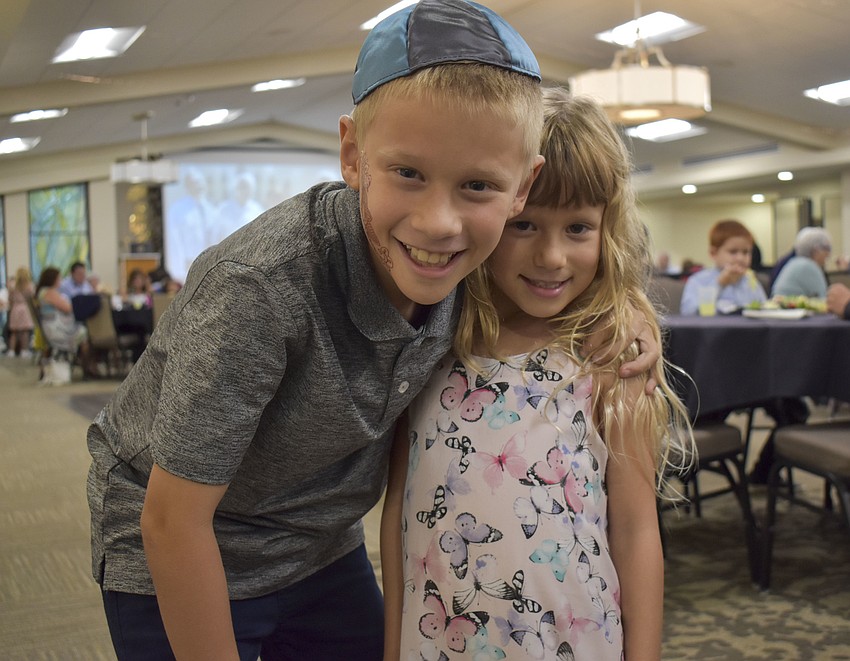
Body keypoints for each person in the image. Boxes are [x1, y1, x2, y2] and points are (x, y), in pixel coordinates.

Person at [85, 3, 659, 659]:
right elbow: (171, 520)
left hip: (320, 541)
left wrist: (628, 311)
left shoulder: (462, 268)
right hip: (181, 539)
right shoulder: (260, 288)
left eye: (477, 185)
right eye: (408, 173)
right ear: (353, 154)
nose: (439, 223)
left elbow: (556, 274)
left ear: (518, 189)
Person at [381, 90, 693, 661]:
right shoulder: (432, 341)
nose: (552, 257)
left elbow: (635, 527)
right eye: (524, 225)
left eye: (578, 228)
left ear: (608, 232)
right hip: (440, 637)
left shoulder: (607, 356)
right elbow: (400, 506)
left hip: (571, 638)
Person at [680, 220, 766, 316]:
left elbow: (764, 309)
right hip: (712, 330)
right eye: (733, 252)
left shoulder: (751, 281)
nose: (740, 258)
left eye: (746, 252)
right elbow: (688, 313)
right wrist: (720, 284)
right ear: (713, 253)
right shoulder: (698, 280)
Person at [35, 266, 97, 376]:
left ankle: (86, 366)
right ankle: (87, 367)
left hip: (50, 327)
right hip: (55, 329)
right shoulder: (50, 292)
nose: (61, 281)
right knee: (84, 333)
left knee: (82, 330)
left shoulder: (43, 291)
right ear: (53, 279)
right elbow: (68, 308)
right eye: (59, 278)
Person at [771, 227, 831, 298]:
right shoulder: (809, 267)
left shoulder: (794, 263)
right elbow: (823, 298)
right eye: (826, 249)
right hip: (793, 307)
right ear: (816, 250)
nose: (828, 254)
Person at [6, 266, 35, 358]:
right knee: (25, 332)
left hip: (15, 309)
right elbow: (32, 299)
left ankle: (11, 351)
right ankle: (24, 350)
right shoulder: (30, 286)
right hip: (25, 309)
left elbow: (10, 299)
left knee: (14, 332)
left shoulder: (12, 286)